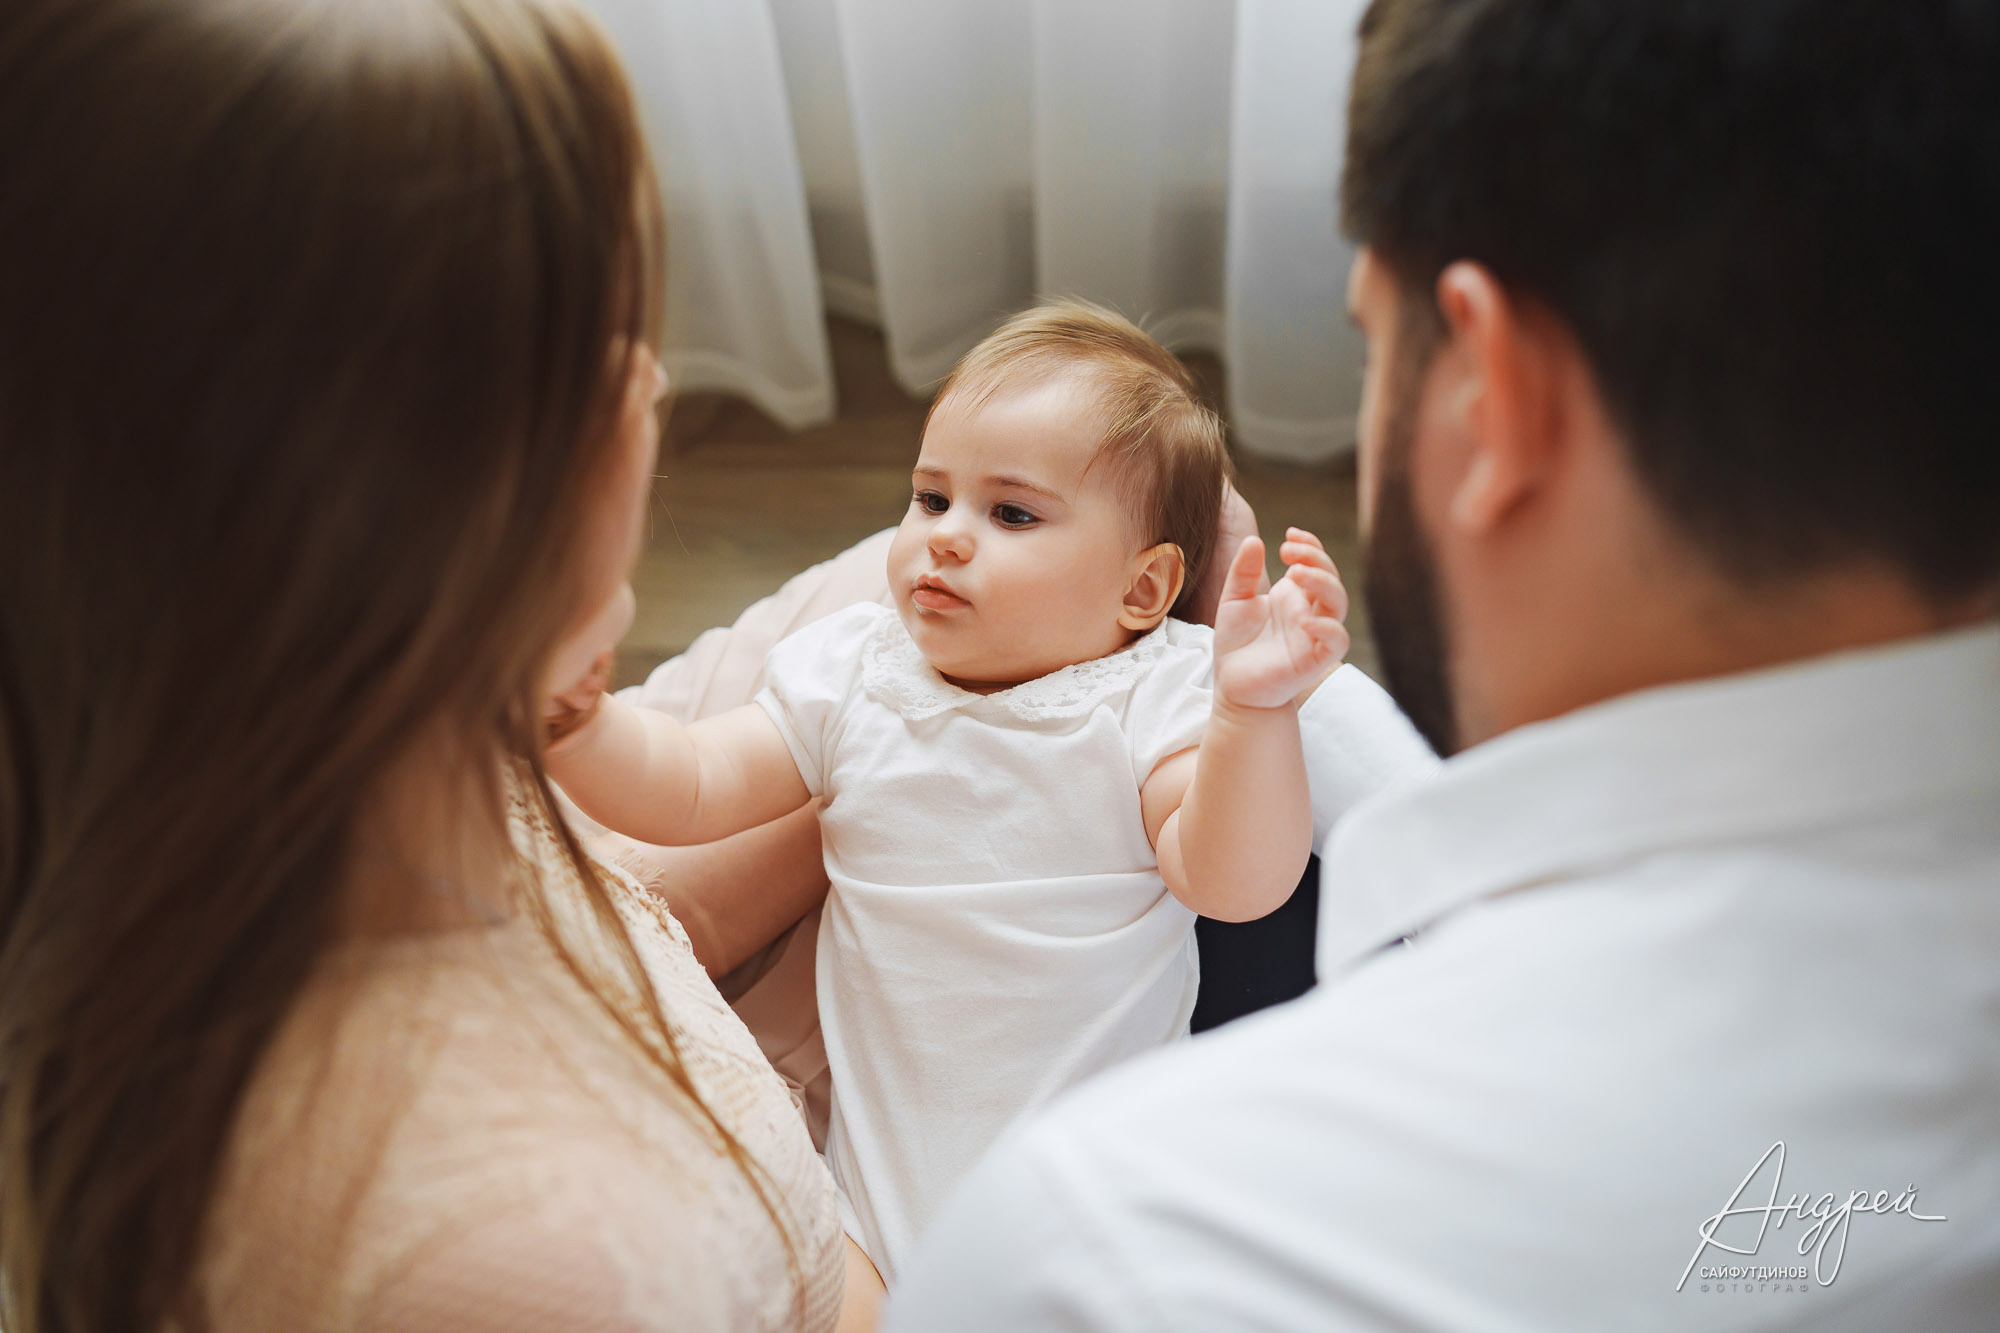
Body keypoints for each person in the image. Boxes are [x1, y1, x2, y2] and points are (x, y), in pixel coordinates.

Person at [885, 0, 2000, 1328]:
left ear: (1492, 391)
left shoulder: (1120, 1249)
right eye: (935, 502)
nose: (947, 540)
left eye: (1374, 343)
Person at [0, 0, 876, 1328]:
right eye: (601, 355)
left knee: (1068, 522)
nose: (649, 383)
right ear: (427, 522)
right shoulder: (540, 1262)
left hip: (737, 1115)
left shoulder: (327, 768)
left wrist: (865, 804)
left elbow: (625, 918)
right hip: (861, 1251)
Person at [546, 301, 1356, 1284]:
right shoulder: (854, 666)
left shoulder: (1146, 692)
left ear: (1141, 593)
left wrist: (1251, 715)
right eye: (930, 499)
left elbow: (1234, 880)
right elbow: (694, 786)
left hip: (1086, 1198)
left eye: (1009, 513)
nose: (946, 538)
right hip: (870, 1208)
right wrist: (584, 731)